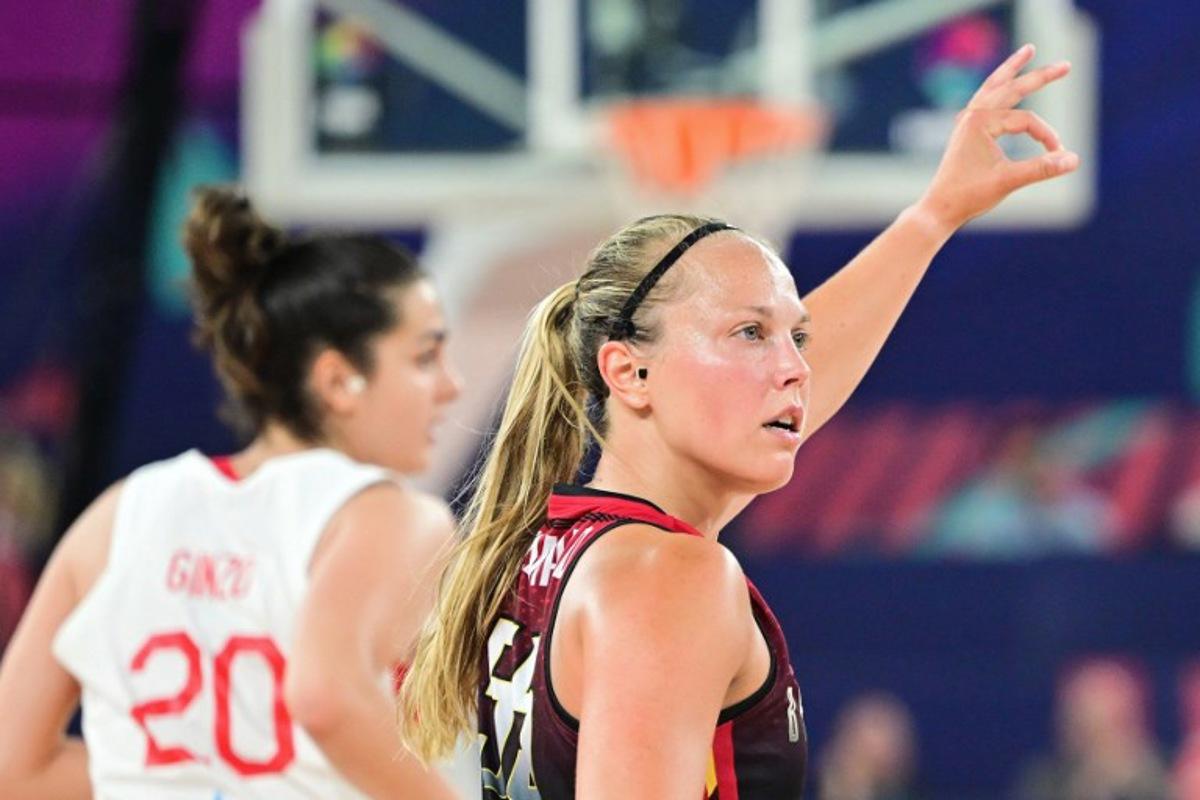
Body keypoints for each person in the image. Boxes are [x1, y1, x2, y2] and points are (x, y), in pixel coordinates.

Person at [400, 44, 1079, 799]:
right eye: (749, 334)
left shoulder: (552, 547)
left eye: (796, 337)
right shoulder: (672, 576)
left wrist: (934, 214)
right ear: (629, 372)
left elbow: (789, 384)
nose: (793, 368)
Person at [0, 187, 462, 799]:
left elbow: (14, 766)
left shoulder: (121, 512)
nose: (451, 386)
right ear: (338, 379)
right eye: (425, 356)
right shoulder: (390, 518)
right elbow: (325, 697)